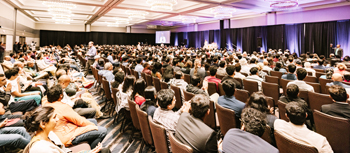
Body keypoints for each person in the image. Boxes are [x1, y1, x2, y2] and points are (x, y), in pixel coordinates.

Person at [23, 106, 108, 153]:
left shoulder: (50, 134)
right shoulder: (41, 149)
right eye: (54, 117)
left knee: (104, 150)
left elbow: (65, 151)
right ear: (43, 124)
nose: (57, 120)